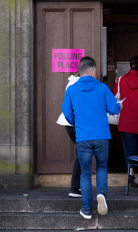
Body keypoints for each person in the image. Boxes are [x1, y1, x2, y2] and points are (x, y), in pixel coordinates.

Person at [62, 58, 122, 220]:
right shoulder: (102, 88)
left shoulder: (72, 90)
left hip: (83, 137)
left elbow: (66, 113)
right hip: (102, 136)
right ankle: (101, 194)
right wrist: (119, 106)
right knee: (102, 167)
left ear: (80, 72)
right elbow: (113, 108)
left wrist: (78, 123)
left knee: (86, 173)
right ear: (92, 72)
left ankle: (87, 209)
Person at [56, 56, 96, 198]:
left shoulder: (72, 82)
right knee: (81, 154)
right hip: (76, 123)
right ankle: (74, 188)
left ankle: (76, 187)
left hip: (70, 123)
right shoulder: (81, 84)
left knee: (81, 153)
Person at [113, 55, 138, 188]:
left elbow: (115, 96)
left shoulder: (121, 80)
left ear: (130, 66)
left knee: (129, 148)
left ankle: (131, 173)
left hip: (127, 121)